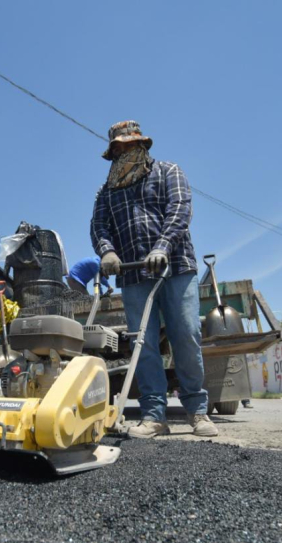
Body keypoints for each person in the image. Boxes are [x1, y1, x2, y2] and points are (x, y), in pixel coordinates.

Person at [90, 120, 218, 438]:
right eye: (118, 148)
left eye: (128, 145)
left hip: (176, 268)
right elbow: (99, 226)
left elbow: (179, 210)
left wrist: (162, 246)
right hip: (133, 275)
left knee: (186, 335)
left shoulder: (168, 172)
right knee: (141, 344)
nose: (123, 151)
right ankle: (153, 415)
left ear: (141, 145)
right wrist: (107, 252)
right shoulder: (106, 192)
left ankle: (197, 412)